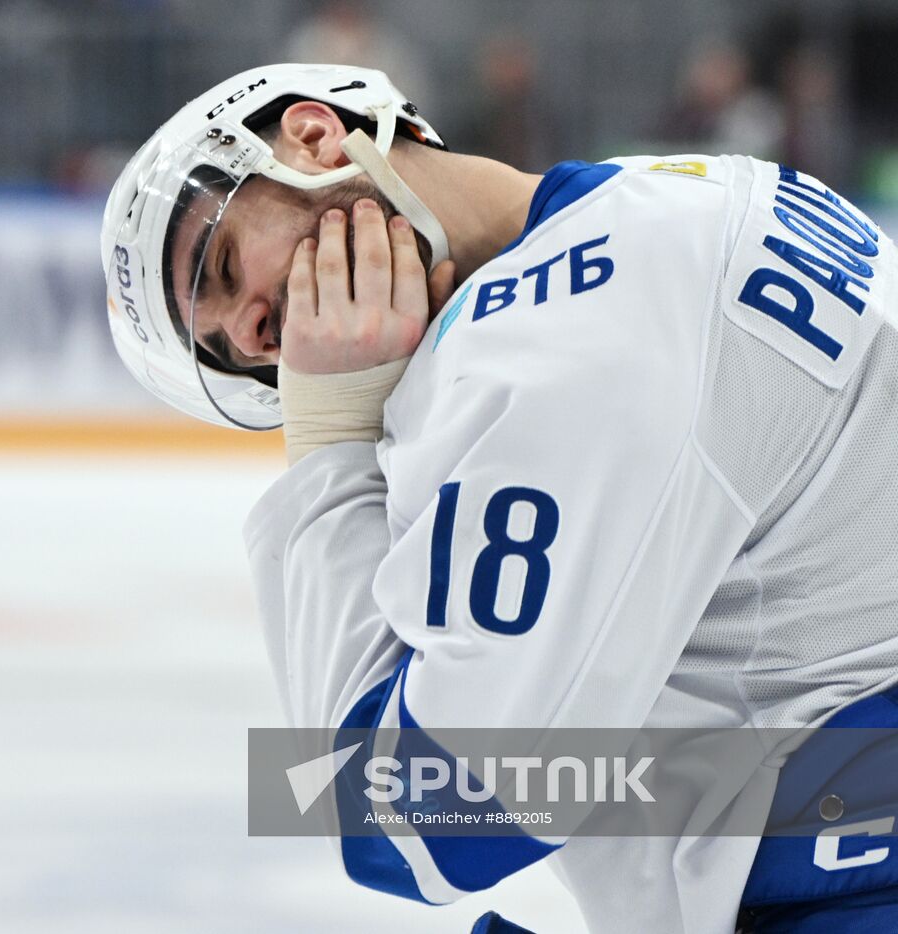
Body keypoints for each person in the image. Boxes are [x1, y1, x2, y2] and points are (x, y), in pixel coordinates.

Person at [100, 64, 898, 933]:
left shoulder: (557, 344)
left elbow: (416, 826)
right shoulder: (673, 192)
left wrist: (330, 446)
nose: (262, 333)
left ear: (315, 135)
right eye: (234, 349)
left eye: (222, 259)